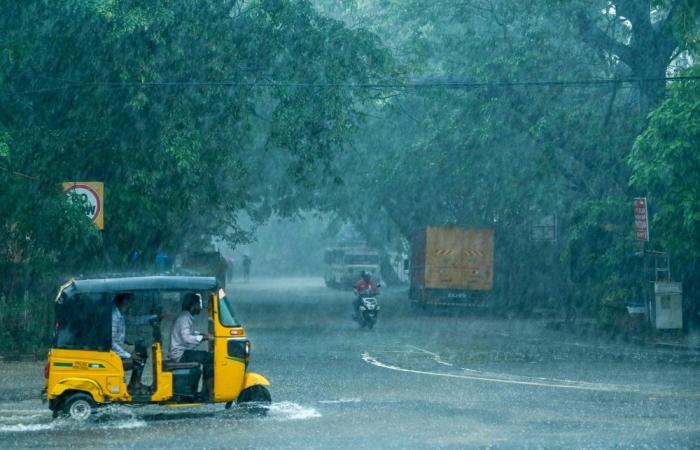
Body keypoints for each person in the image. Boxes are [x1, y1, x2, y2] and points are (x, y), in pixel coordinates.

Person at [168, 292, 214, 400]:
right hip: (180, 354)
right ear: (192, 306)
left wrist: (203, 335)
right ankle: (207, 391)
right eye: (198, 304)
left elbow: (190, 334)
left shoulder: (185, 316)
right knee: (210, 358)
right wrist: (205, 338)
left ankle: (205, 391)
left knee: (206, 356)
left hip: (182, 352)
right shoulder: (184, 318)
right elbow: (187, 338)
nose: (200, 307)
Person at [112, 293, 159, 394]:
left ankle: (135, 383)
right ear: (125, 301)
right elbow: (112, 342)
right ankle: (135, 384)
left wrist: (154, 317)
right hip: (113, 347)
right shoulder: (114, 316)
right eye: (131, 301)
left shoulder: (121, 314)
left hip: (119, 344)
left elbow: (135, 320)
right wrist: (128, 355)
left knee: (141, 348)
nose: (132, 304)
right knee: (139, 353)